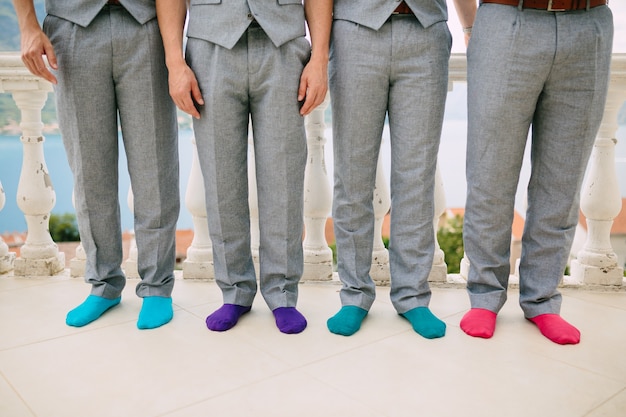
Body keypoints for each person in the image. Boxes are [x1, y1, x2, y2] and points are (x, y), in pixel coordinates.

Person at [157, 0, 331, 334]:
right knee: (221, 175)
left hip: (284, 44)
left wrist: (320, 58)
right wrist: (175, 62)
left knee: (284, 176)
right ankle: (234, 289)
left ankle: (282, 292)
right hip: (210, 48)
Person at [14, 0, 180, 329]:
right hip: (72, 28)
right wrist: (28, 25)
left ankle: (157, 287)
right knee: (89, 171)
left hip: (145, 23)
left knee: (155, 167)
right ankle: (103, 284)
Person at [454, 0, 613, 344]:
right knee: (490, 171)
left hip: (589, 24)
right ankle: (484, 295)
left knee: (563, 178)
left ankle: (542, 299)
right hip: (506, 16)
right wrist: (471, 28)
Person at [327, 0, 451, 338]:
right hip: (355, 32)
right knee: (352, 173)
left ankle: (413, 295)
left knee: (417, 175)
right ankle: (354, 294)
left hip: (426, 31)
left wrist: (470, 31)